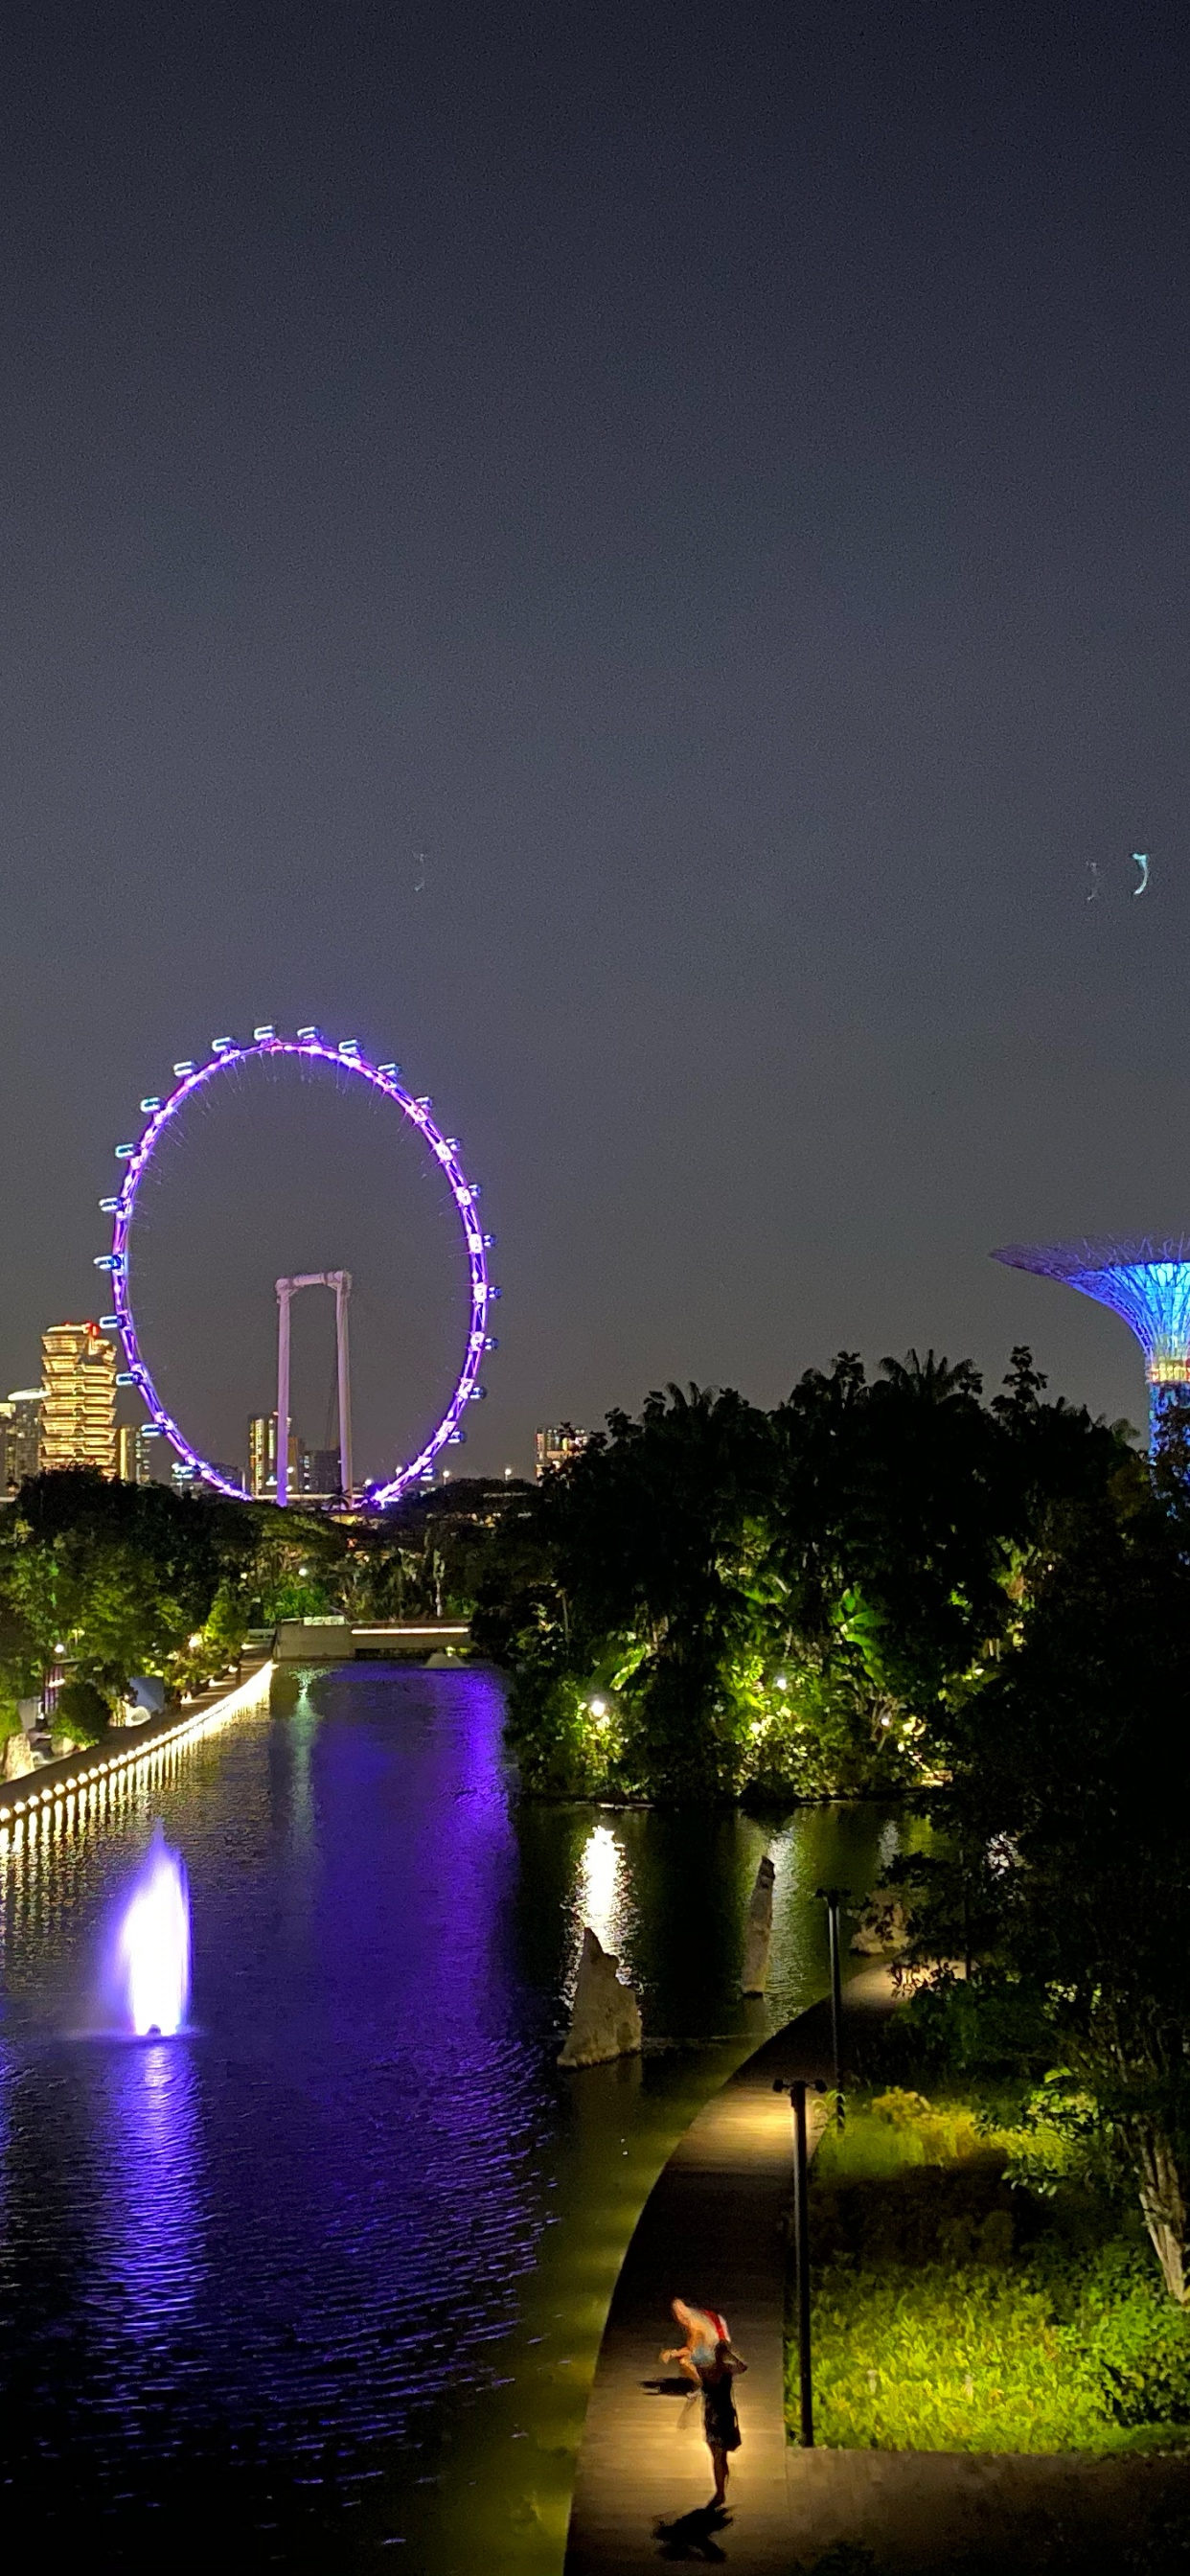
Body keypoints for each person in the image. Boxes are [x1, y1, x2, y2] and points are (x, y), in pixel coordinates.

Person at [699, 2337, 746, 2506]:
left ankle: (720, 2492)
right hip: (720, 2415)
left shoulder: (710, 2370)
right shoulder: (724, 2370)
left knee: (718, 2456)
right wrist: (731, 2356)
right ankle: (721, 2488)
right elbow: (742, 2367)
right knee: (719, 2455)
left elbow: (742, 2367)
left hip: (716, 2416)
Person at [660, 2298, 730, 2388]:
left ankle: (701, 2384)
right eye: (677, 2313)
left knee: (684, 2362)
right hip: (711, 2347)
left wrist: (673, 2354)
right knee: (686, 2357)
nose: (680, 2316)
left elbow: (691, 2350)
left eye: (681, 2312)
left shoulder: (693, 2325)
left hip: (714, 2351)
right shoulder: (693, 2320)